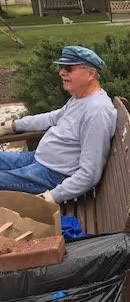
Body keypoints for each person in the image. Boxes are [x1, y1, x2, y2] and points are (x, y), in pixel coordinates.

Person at [0, 46, 117, 203]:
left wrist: (51, 197)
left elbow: (90, 174)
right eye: (61, 67)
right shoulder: (80, 98)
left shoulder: (97, 112)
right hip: (40, 159)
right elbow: (51, 118)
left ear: (91, 73)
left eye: (69, 68)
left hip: (52, 174)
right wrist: (14, 125)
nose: (61, 72)